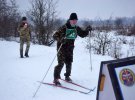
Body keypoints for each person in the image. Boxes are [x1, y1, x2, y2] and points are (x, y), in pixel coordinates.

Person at [53, 13, 92, 85]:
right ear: (70, 20)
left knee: (69, 62)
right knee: (61, 63)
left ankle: (67, 76)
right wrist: (61, 39)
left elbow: (82, 34)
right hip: (61, 48)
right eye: (73, 20)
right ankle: (56, 79)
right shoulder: (64, 27)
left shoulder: (76, 28)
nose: (74, 22)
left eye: (75, 20)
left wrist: (87, 30)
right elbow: (55, 36)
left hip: (70, 48)